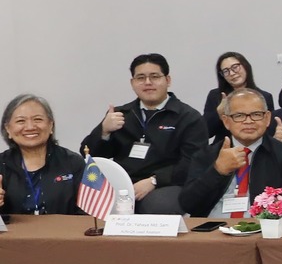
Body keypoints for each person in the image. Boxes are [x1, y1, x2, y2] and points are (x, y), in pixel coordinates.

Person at [82, 53, 205, 215]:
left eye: (155, 76)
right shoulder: (120, 114)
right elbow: (89, 156)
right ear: (132, 83)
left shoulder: (188, 117)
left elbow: (194, 162)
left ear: (168, 80)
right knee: (88, 202)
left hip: (166, 184)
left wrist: (154, 181)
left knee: (159, 206)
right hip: (123, 183)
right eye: (140, 78)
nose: (148, 82)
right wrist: (104, 131)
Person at [178, 87, 282, 219]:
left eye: (256, 114)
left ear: (267, 118)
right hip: (214, 226)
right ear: (226, 121)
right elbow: (188, 205)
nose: (248, 121)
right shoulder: (207, 155)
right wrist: (217, 170)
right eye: (239, 116)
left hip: (262, 228)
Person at [0, 94, 84, 215]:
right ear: (8, 129)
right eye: (21, 121)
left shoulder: (73, 162)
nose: (30, 127)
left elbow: (87, 213)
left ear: (50, 125)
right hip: (14, 228)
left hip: (64, 227)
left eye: (37, 119)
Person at [201, 52, 256, 146]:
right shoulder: (215, 96)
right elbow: (206, 133)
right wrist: (219, 114)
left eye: (235, 67)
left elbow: (266, 131)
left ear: (245, 66)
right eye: (226, 71)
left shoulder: (264, 96)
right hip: (223, 148)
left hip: (254, 148)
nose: (232, 73)